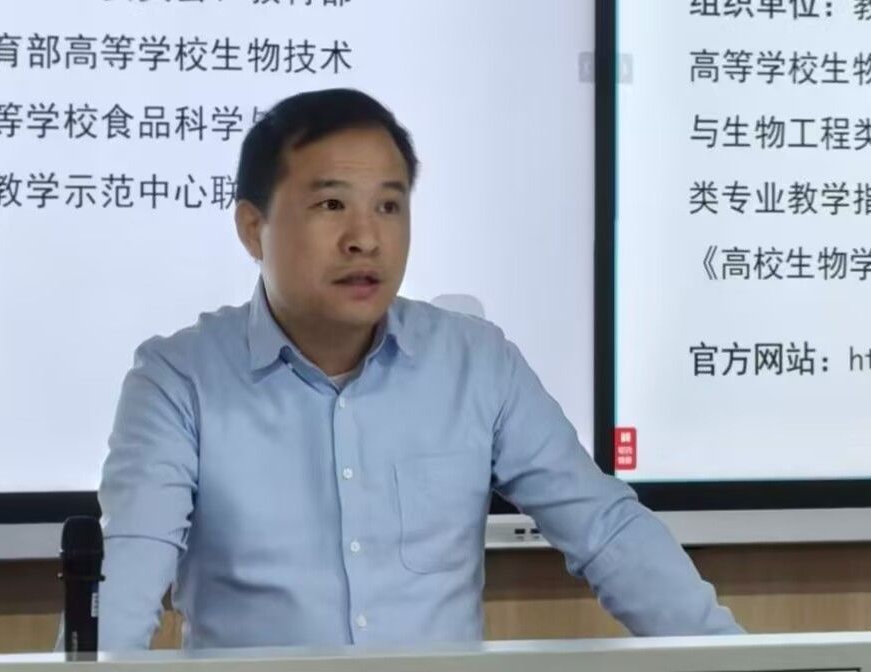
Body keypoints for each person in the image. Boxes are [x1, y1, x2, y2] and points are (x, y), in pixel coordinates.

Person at [95, 88, 742, 650]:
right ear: (251, 227)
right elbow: (127, 583)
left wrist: (735, 658)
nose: (366, 238)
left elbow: (606, 531)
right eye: (331, 205)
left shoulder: (475, 363)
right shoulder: (178, 381)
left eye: (389, 206)